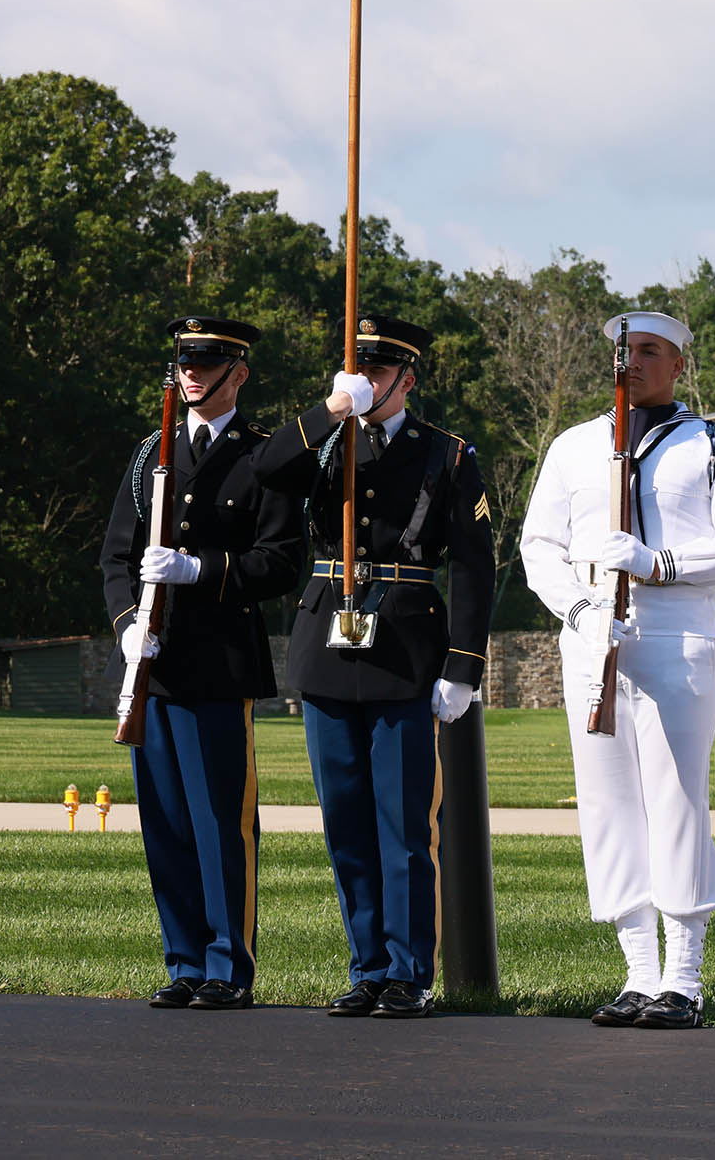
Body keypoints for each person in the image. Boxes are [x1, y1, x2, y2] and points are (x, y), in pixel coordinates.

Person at [519, 311, 715, 1031]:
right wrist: (576, 609)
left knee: (675, 798)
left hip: (677, 631)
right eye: (625, 350)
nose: (632, 361)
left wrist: (661, 564)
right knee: (607, 804)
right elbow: (540, 545)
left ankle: (684, 978)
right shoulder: (573, 447)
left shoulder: (712, 447)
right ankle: (637, 971)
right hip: (593, 633)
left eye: (650, 351)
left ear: (679, 365)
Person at [253, 315, 493, 1019]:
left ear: (406, 380)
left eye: (377, 374)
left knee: (403, 822)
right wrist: (330, 411)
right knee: (346, 820)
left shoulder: (444, 454)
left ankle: (409, 973)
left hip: (405, 647)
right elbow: (264, 469)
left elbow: (475, 566)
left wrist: (465, 665)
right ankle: (367, 967)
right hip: (327, 640)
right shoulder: (328, 440)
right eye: (355, 372)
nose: (364, 383)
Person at [101, 316, 306, 1012]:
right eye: (185, 359)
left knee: (222, 821)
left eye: (208, 360)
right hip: (154, 669)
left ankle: (227, 965)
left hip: (219, 665)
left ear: (237, 372)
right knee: (164, 820)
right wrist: (130, 627)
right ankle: (184, 960)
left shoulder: (264, 457)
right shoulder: (150, 454)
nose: (192, 371)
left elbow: (281, 562)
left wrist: (200, 568)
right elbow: (116, 560)